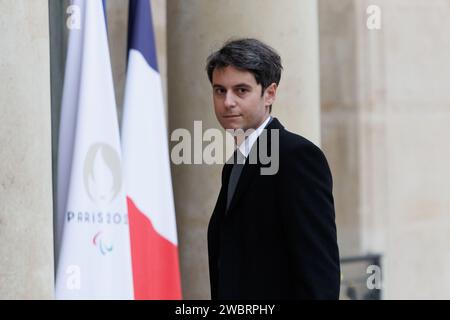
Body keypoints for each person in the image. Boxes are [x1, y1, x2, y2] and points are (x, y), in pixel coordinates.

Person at [205, 38, 340, 299]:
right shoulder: (234, 165)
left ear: (269, 93)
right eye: (220, 90)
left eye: (241, 90)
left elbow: (319, 276)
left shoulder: (297, 156)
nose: (228, 102)